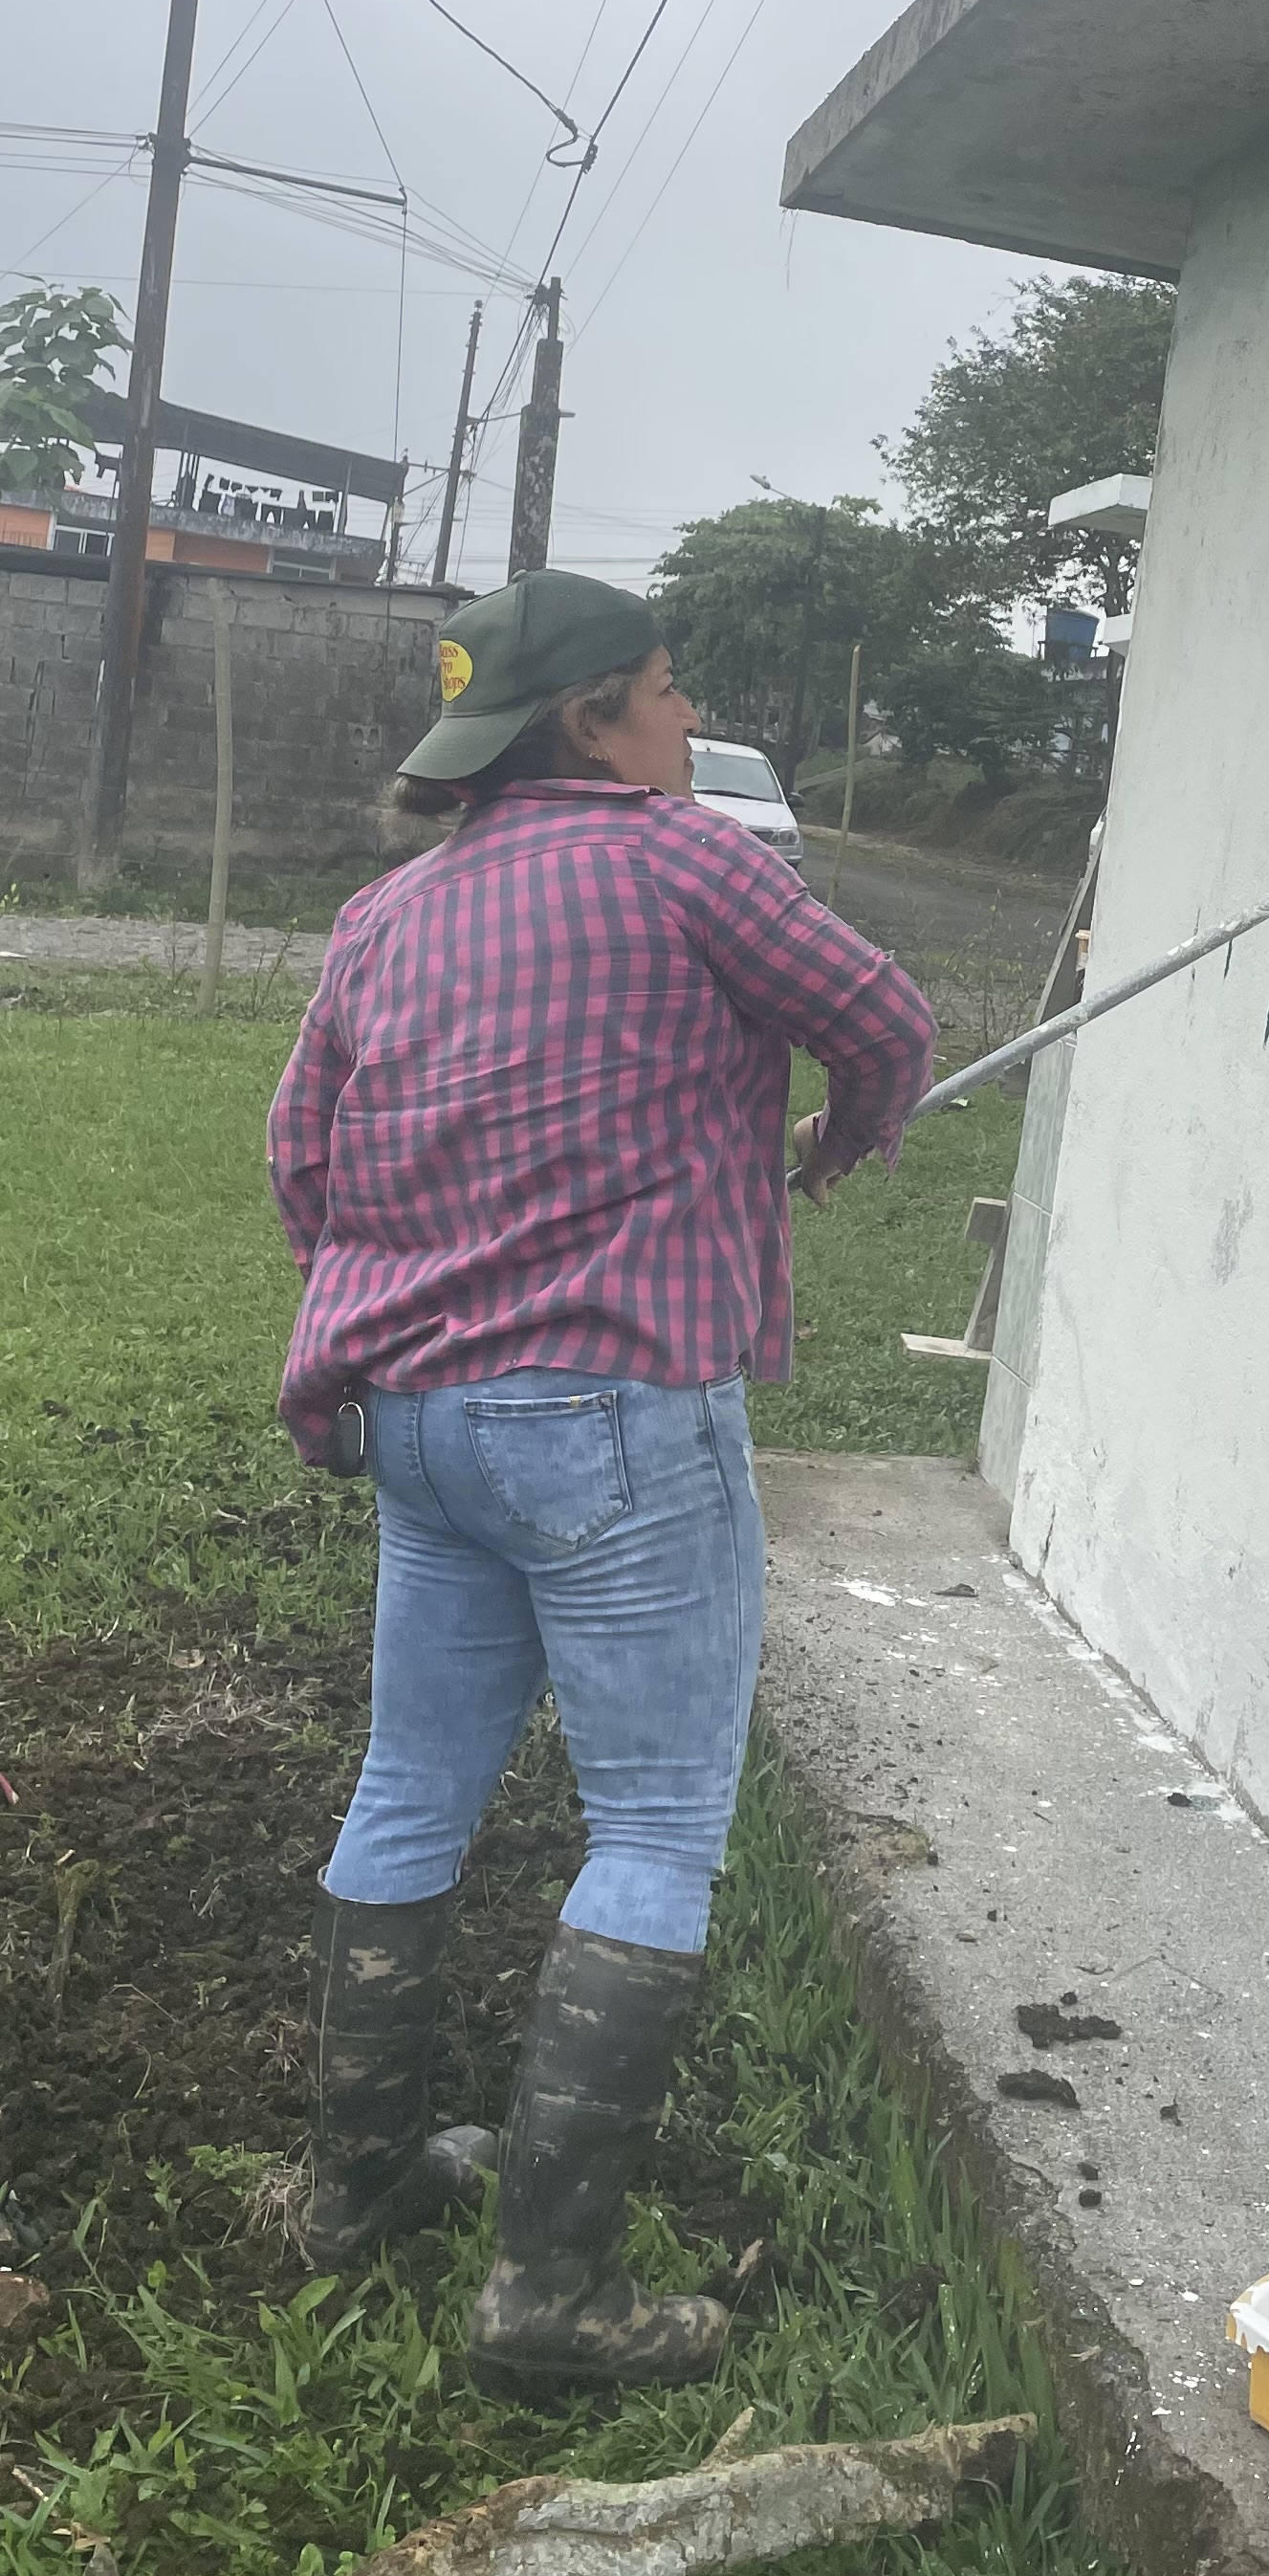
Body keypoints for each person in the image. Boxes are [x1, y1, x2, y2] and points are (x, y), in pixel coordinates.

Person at [267, 569, 935, 2396]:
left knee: (411, 1785)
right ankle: (548, 2300)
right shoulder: (688, 863)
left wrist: (421, 1290)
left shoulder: (388, 912)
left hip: (418, 1419)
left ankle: (356, 2190)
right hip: (614, 1422)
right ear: (593, 720)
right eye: (666, 689)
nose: (685, 719)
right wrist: (842, 1138)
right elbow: (885, 1023)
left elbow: (300, 1160)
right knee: (653, 1830)